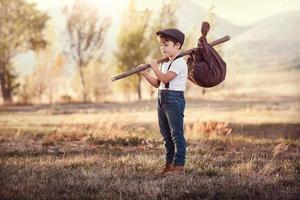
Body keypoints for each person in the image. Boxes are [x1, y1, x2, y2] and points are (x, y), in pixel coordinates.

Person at [140, 28, 188, 176]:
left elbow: (166, 79)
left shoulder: (180, 63)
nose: (163, 48)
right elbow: (158, 83)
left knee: (176, 134)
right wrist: (145, 73)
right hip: (162, 97)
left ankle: (179, 167)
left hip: (174, 98)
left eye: (166, 45)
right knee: (166, 135)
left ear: (177, 45)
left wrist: (154, 67)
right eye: (161, 45)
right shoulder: (165, 63)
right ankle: (169, 165)